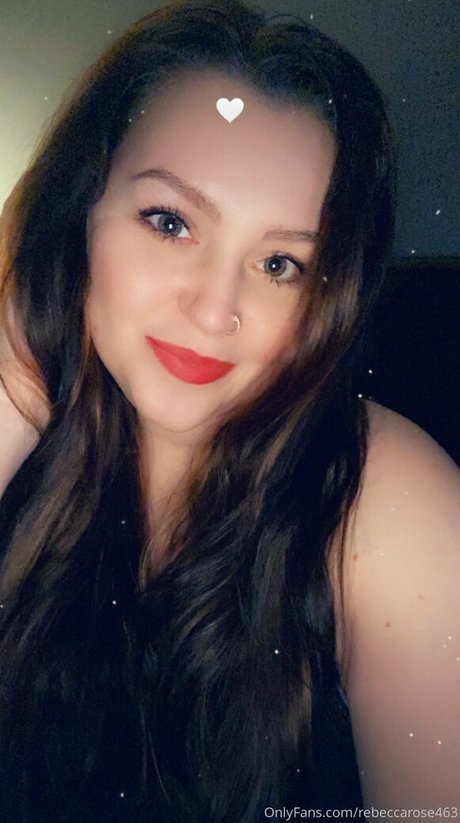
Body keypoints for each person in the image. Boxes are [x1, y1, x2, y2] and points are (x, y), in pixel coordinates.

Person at [0, 1, 459, 820]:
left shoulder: (388, 498)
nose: (215, 311)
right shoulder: (31, 427)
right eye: (169, 221)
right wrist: (14, 387)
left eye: (280, 263)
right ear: (78, 211)